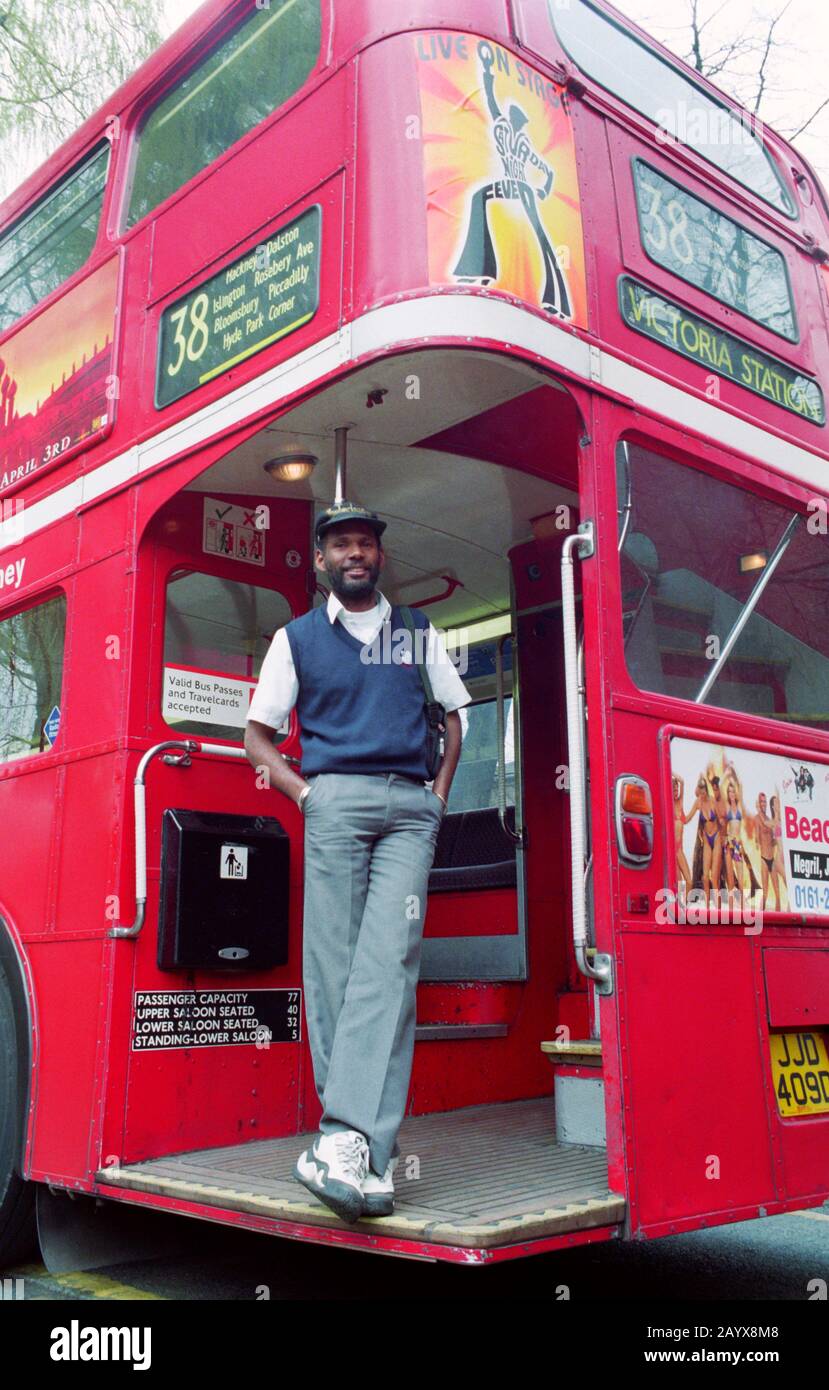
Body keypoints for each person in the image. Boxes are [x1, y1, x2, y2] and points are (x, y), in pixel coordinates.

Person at [244, 501, 471, 1224]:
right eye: (340, 544)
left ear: (379, 557)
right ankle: (364, 1154)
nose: (354, 554)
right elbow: (258, 737)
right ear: (320, 561)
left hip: (408, 808)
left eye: (365, 544)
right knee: (336, 970)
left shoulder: (417, 632)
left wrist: (435, 799)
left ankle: (342, 1141)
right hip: (333, 805)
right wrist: (306, 795)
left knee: (390, 968)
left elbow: (455, 717)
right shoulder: (297, 638)